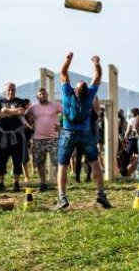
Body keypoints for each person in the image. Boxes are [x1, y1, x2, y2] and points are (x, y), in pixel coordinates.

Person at [55, 52, 111, 210]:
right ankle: (101, 194)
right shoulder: (90, 96)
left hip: (67, 133)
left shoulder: (67, 94)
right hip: (86, 133)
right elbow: (98, 75)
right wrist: (96, 62)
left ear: (75, 90)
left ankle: (62, 198)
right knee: (95, 163)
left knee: (63, 166)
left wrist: (68, 60)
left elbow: (64, 73)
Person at [26, 87, 63, 191]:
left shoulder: (55, 105)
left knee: (56, 162)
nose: (42, 96)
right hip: (38, 139)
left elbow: (66, 113)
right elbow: (25, 115)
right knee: (39, 162)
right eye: (40, 94)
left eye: (43, 94)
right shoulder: (33, 107)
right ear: (37, 97)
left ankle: (58, 182)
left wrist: (61, 124)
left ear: (47, 94)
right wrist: (30, 124)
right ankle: (43, 183)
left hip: (53, 138)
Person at [0, 82, 26, 192]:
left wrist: (6, 111)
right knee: (1, 160)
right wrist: (14, 112)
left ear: (15, 90)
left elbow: (22, 111)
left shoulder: (19, 101)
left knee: (17, 159)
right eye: (8, 89)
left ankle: (16, 183)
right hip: (2, 134)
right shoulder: (0, 102)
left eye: (12, 89)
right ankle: (1, 184)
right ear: (5, 91)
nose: (10, 91)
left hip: (16, 134)